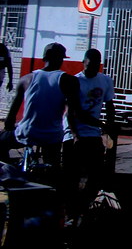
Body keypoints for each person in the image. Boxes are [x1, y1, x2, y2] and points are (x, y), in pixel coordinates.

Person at [5, 43, 81, 173]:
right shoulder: (69, 81)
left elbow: (10, 119)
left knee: (2, 142)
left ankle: (7, 173)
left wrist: (10, 125)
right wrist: (75, 135)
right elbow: (71, 114)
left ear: (44, 58)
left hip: (27, 133)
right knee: (54, 168)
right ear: (61, 59)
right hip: (52, 136)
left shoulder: (26, 79)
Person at [62, 49, 116, 220]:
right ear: (83, 63)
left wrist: (108, 129)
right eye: (88, 65)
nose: (91, 69)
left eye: (94, 65)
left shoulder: (105, 80)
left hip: (93, 132)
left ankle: (82, 207)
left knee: (96, 175)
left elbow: (109, 105)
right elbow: (72, 112)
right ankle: (70, 212)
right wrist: (75, 135)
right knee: (72, 176)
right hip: (74, 132)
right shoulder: (76, 81)